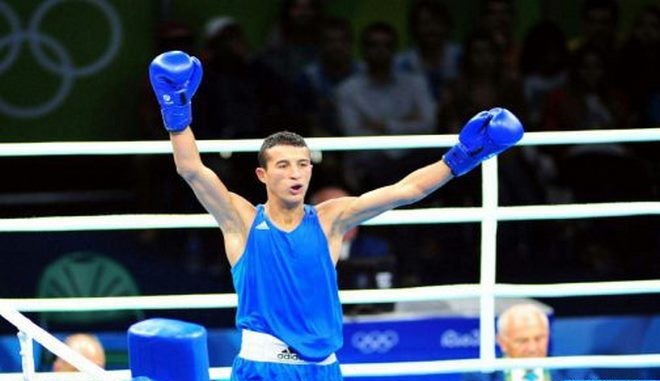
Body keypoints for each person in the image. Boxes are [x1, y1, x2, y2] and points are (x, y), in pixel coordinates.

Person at [148, 50, 523, 380]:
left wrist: (462, 156)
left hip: (323, 368)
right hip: (262, 368)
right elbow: (192, 170)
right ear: (262, 174)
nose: (295, 173)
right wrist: (176, 111)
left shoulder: (331, 219)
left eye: (302, 164)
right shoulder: (242, 219)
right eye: (283, 165)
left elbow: (407, 190)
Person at [465, 303, 598, 381]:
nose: (532, 348)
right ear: (502, 342)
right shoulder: (479, 378)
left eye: (539, 338)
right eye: (522, 341)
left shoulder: (577, 373)